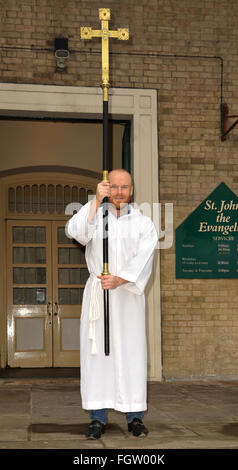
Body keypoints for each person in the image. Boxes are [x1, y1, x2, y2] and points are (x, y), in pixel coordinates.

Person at [65, 169, 158, 439]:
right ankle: (97, 418)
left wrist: (121, 279)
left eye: (124, 187)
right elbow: (77, 232)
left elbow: (144, 257)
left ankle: (134, 417)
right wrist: (95, 201)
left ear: (132, 189)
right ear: (106, 188)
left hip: (127, 295)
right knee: (98, 357)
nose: (119, 192)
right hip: (98, 293)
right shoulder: (95, 212)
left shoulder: (142, 223)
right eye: (114, 187)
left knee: (131, 354)